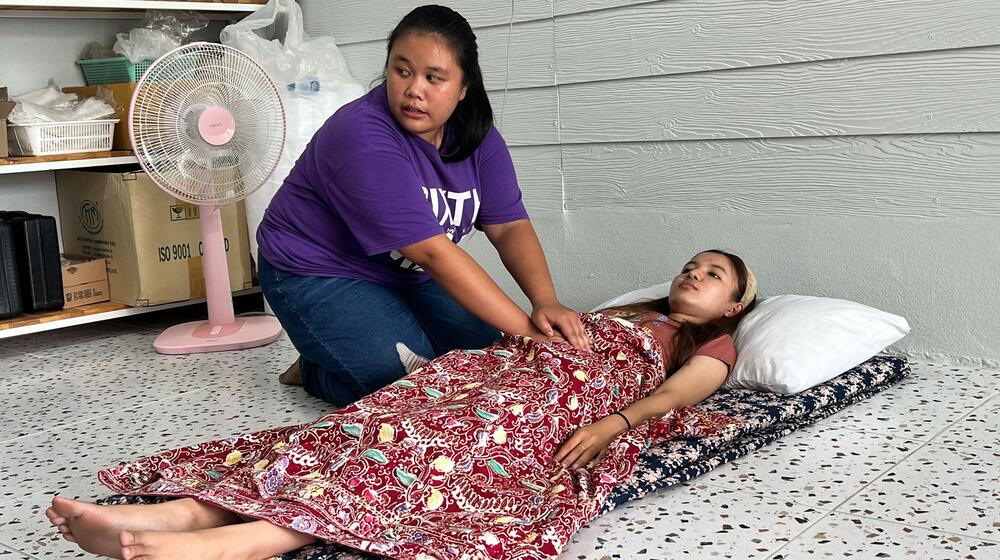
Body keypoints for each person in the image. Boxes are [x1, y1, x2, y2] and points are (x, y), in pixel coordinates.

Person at [45, 249, 758, 560]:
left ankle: (238, 540)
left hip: (551, 405)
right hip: (497, 371)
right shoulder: (628, 312)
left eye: (714, 273)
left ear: (735, 304)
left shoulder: (706, 347)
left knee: (417, 457)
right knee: (375, 423)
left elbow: (675, 395)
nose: (693, 272)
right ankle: (179, 513)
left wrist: (614, 421)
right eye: (691, 265)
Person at [255, 5, 589, 406]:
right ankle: (315, 371)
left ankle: (355, 344)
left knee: (489, 360)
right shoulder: (362, 134)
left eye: (434, 78)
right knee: (414, 387)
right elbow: (433, 253)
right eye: (402, 71)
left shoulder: (477, 136)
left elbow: (509, 226)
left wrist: (545, 301)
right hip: (318, 270)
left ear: (463, 88)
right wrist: (530, 333)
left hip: (405, 271)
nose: (414, 89)